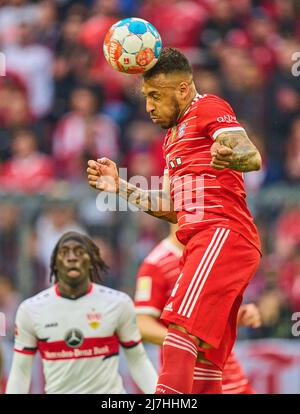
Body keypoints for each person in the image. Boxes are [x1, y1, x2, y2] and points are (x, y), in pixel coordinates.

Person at [87, 47, 262, 394]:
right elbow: (171, 206)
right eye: (146, 97)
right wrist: (120, 187)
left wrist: (230, 155)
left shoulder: (207, 107)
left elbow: (251, 155)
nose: (149, 106)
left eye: (155, 96)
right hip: (209, 239)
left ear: (182, 89)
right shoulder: (171, 139)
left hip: (221, 233)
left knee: (178, 332)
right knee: (207, 358)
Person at [6, 231, 157, 394]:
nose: (72, 258)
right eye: (64, 253)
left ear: (91, 261)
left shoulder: (118, 303)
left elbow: (138, 360)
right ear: (54, 263)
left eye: (79, 252)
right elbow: (20, 371)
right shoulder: (31, 310)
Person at [134, 224, 261, 394]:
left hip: (230, 376)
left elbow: (207, 314)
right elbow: (142, 324)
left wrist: (238, 315)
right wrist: (188, 342)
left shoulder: (212, 252)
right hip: (189, 380)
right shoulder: (155, 264)